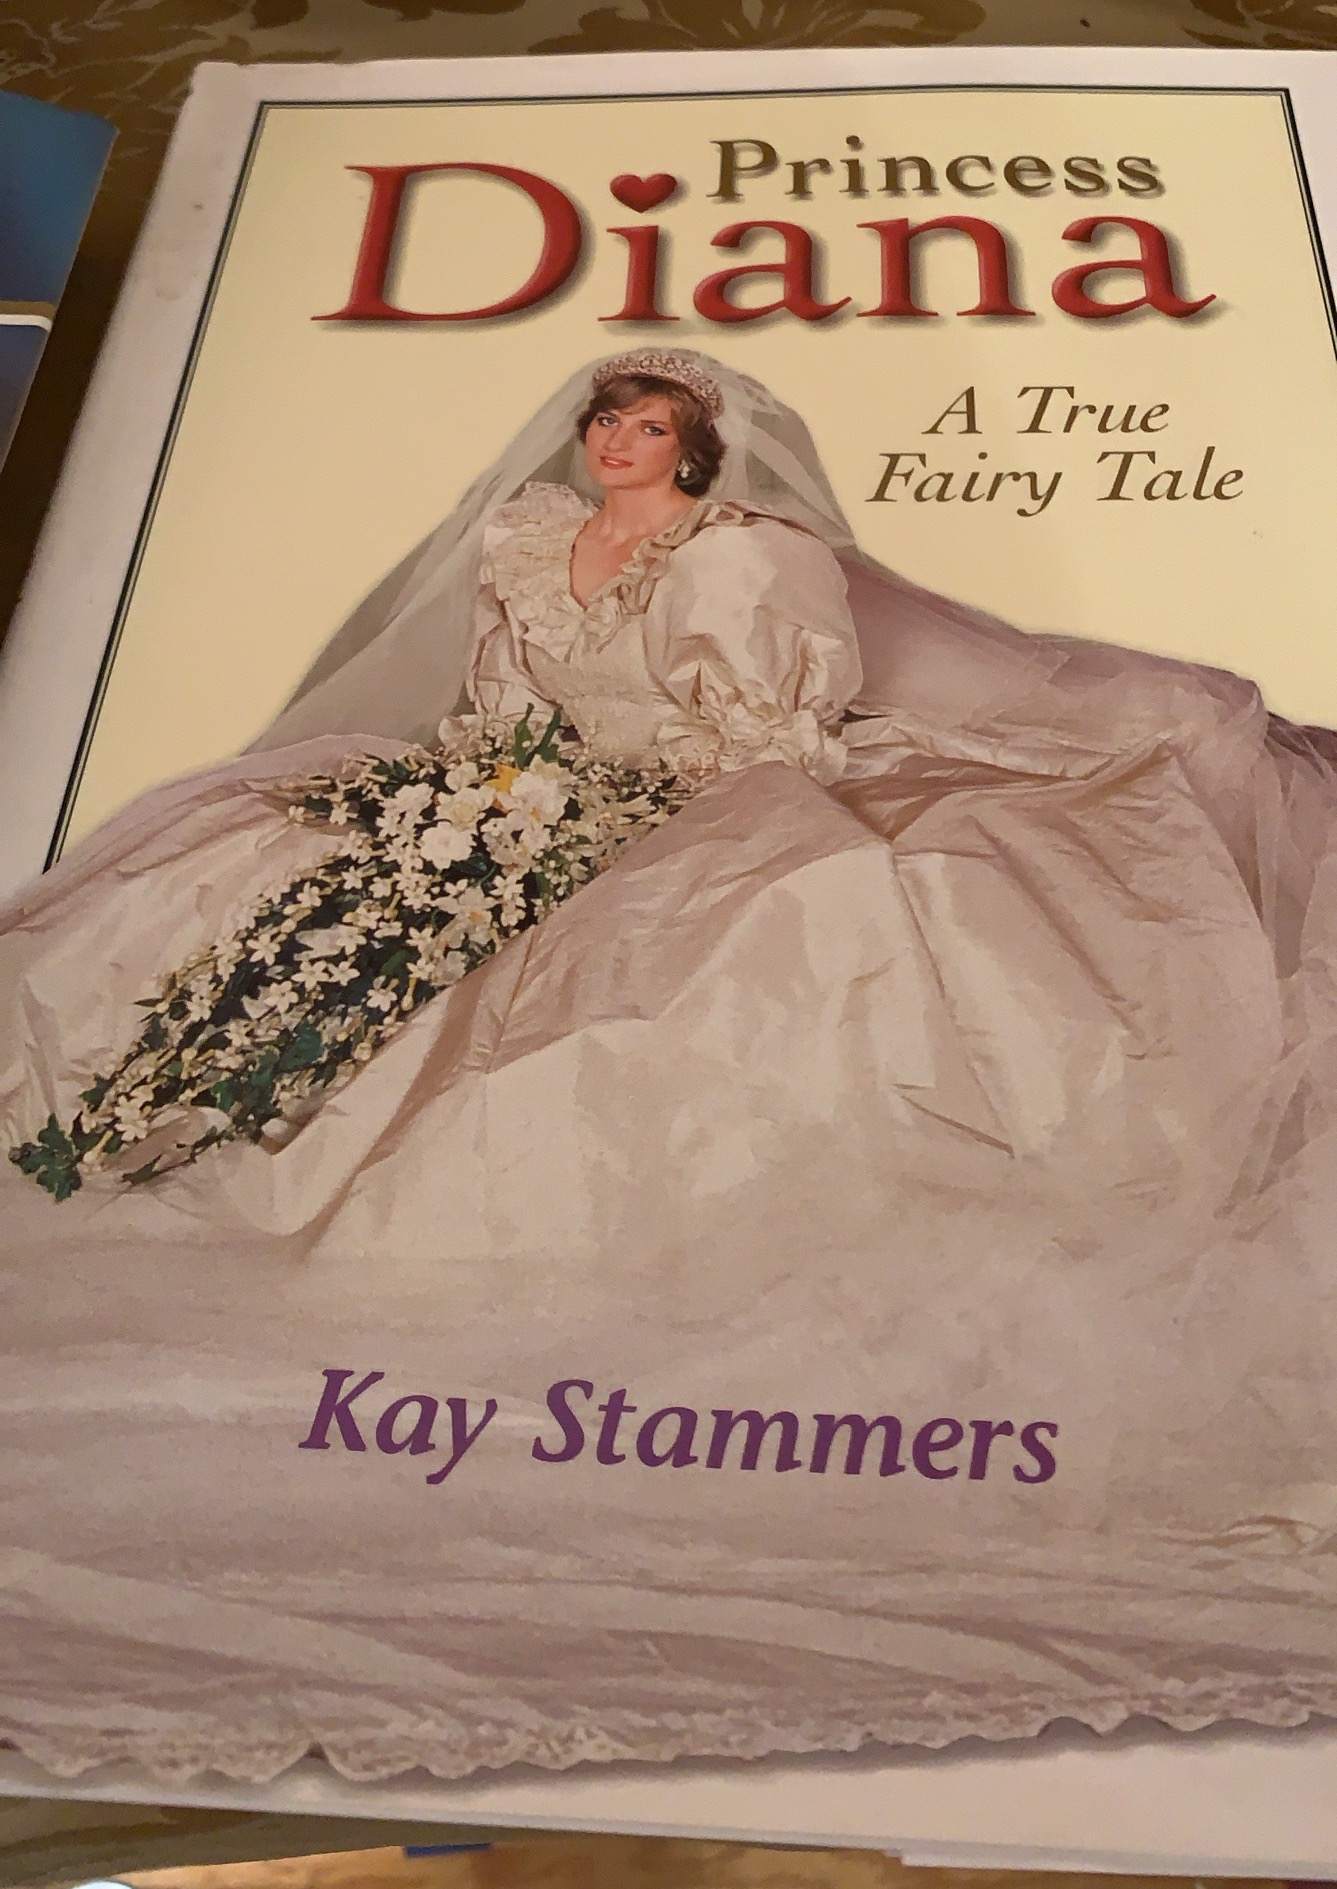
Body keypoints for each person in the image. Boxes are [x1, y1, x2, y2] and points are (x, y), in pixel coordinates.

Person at [2, 351, 1336, 1779]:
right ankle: (175, 1108)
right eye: (606, 419)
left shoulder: (751, 557)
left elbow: (769, 733)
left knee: (754, 941)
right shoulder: (528, 538)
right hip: (532, 794)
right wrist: (490, 800)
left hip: (710, 790)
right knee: (259, 869)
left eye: (649, 426)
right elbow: (500, 703)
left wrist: (599, 811)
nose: (617, 441)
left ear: (696, 449)